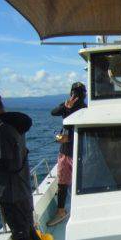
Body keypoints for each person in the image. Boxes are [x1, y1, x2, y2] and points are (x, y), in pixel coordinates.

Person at [0, 93, 50, 240]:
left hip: (10, 192)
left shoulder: (1, 130)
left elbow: (7, 163)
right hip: (23, 188)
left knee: (21, 234)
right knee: (29, 230)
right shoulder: (13, 126)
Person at [47, 82, 87, 226]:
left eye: (78, 93)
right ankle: (62, 211)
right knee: (64, 182)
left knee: (73, 182)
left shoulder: (84, 108)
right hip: (70, 150)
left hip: (75, 151)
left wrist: (68, 108)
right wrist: (66, 106)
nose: (75, 95)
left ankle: (71, 209)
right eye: (74, 92)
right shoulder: (68, 105)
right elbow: (53, 112)